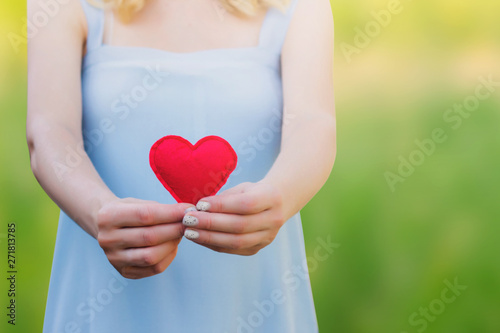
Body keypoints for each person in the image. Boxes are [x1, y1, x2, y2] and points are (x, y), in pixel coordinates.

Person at [27, 0, 336, 331]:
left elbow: (313, 123)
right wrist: (97, 210)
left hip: (250, 299)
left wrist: (281, 195)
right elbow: (50, 129)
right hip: (103, 299)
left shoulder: (298, 6)